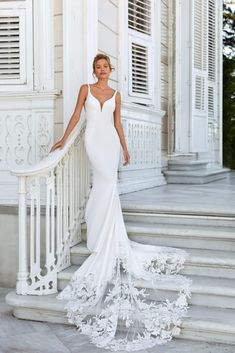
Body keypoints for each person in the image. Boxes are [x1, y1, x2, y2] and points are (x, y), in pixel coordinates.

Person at [51, 53, 192, 352]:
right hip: (93, 141)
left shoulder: (116, 94)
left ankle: (105, 235)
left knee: (109, 184)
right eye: (98, 67)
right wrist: (64, 139)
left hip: (111, 143)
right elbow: (77, 115)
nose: (101, 70)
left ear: (110, 70)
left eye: (105, 67)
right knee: (102, 181)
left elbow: (117, 124)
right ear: (94, 70)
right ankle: (101, 233)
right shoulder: (85, 90)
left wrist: (125, 149)